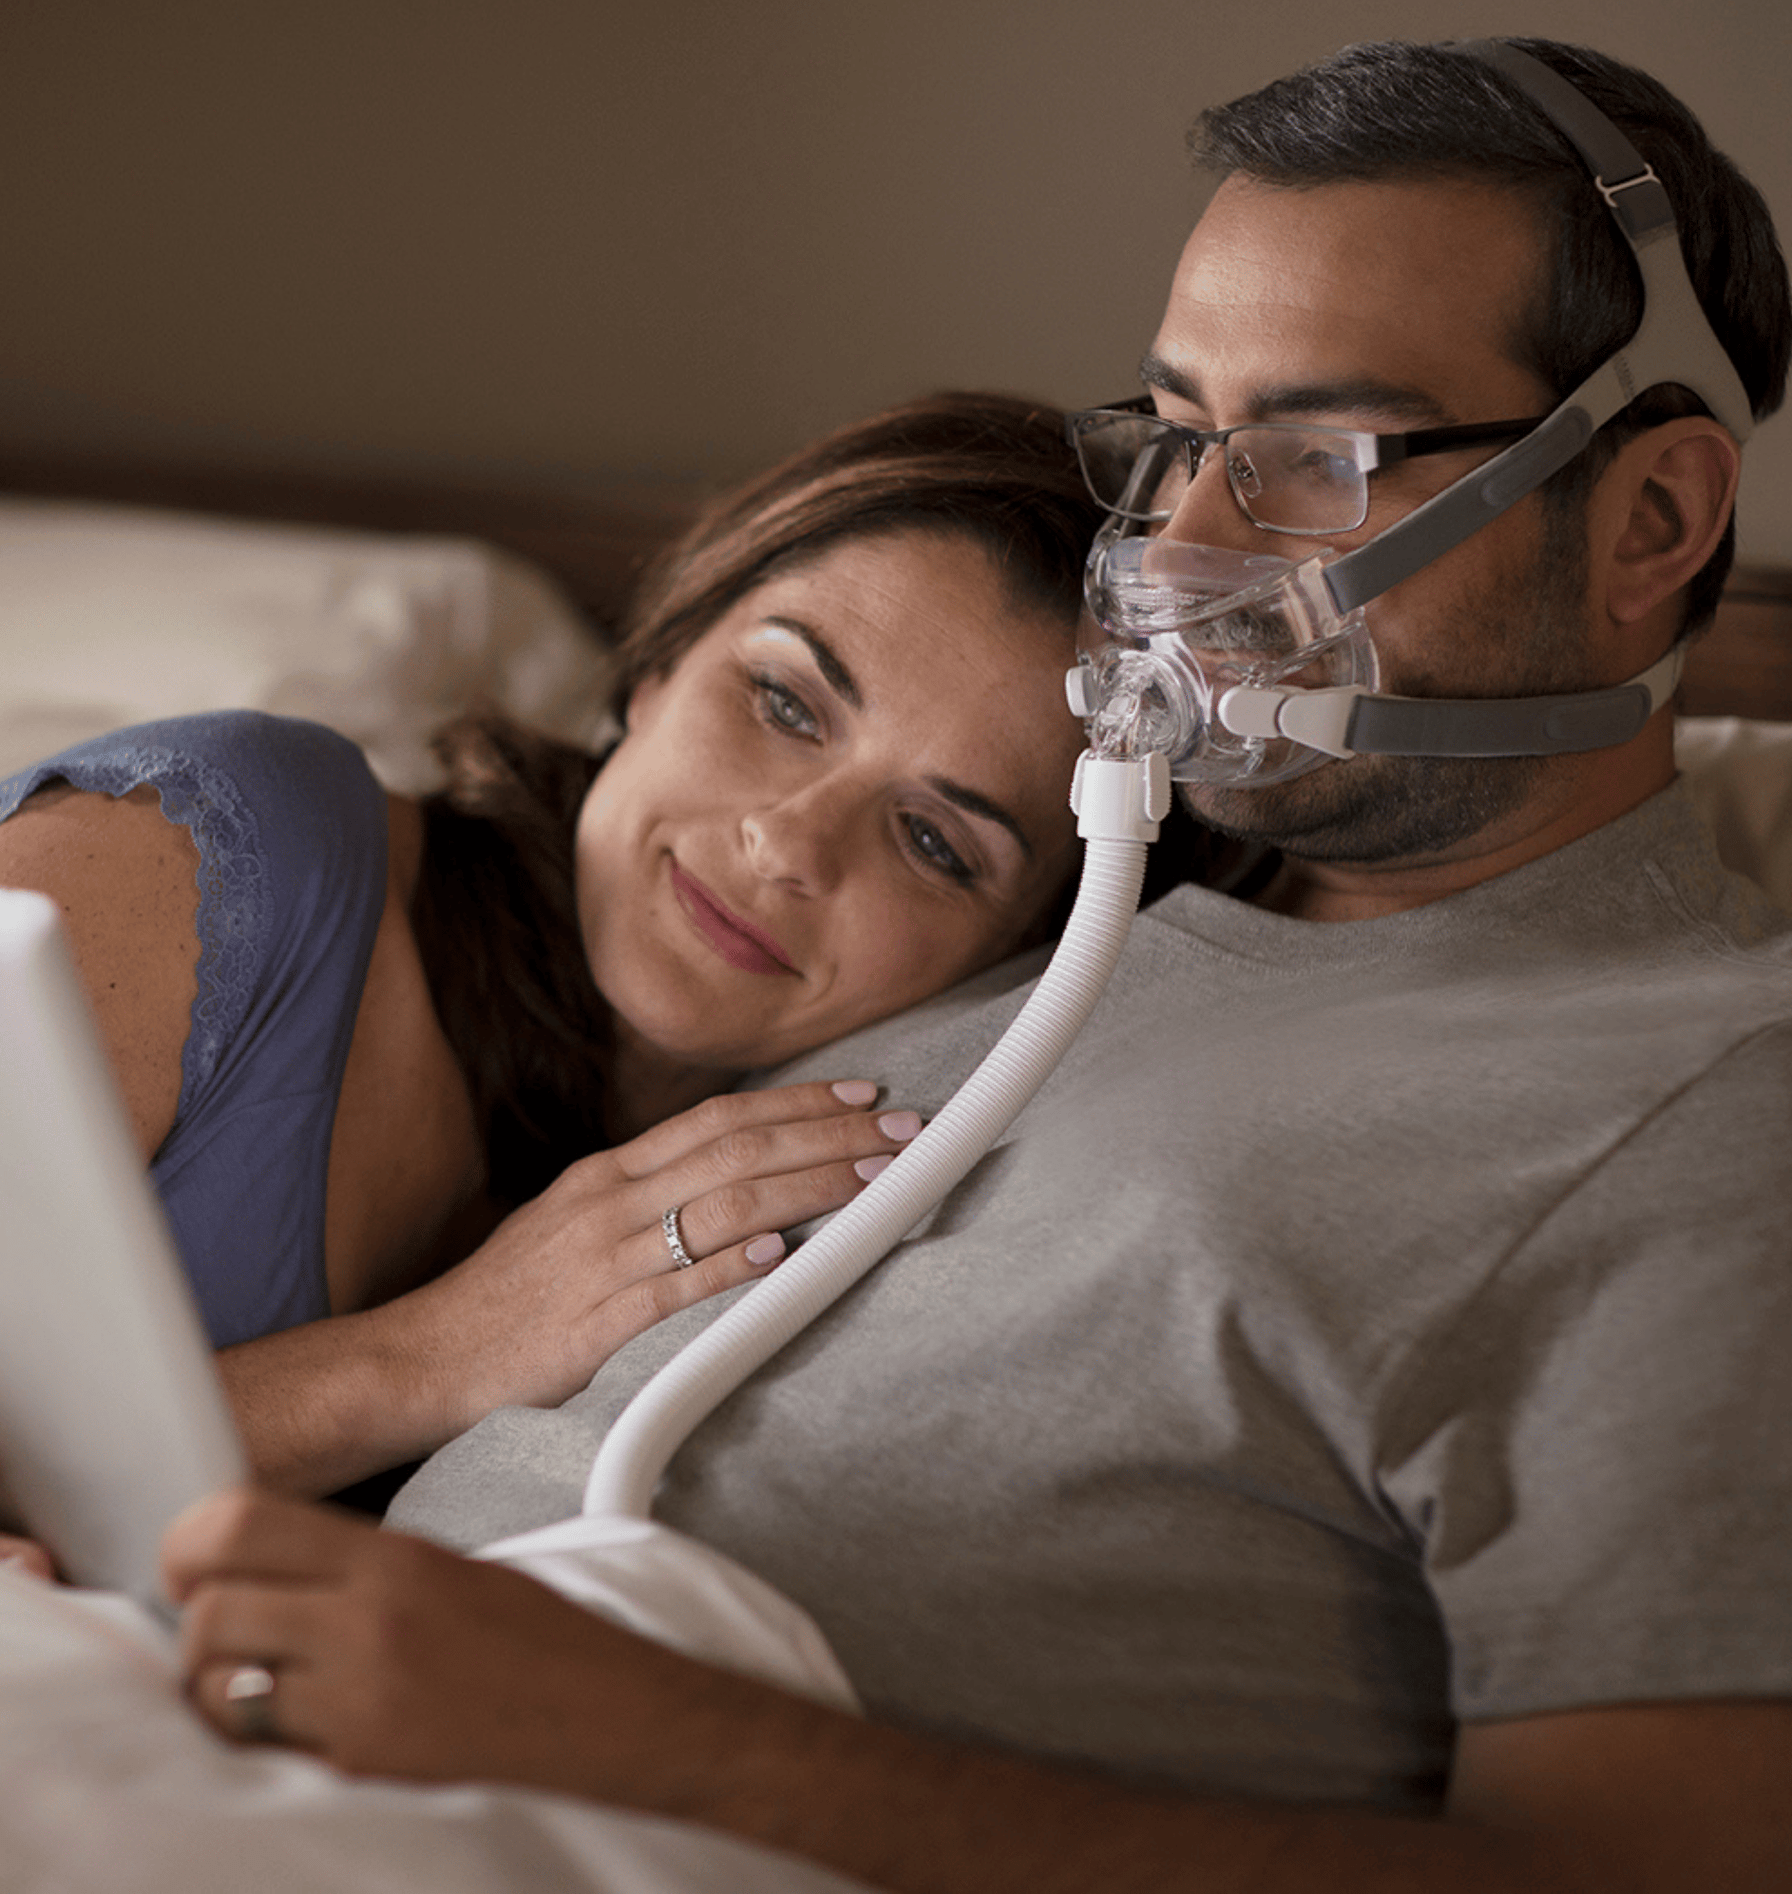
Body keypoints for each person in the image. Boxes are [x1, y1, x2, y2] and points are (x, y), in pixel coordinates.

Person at [107, 36, 1792, 1894]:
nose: (1179, 550)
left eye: (1315, 458)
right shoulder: (1046, 927)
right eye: (1176, 435)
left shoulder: (1735, 1101)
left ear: (1650, 519)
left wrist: (669, 1745)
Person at [0, 392, 1109, 1501]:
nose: (787, 844)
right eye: (783, 701)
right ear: (657, 663)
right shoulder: (224, 851)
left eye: (932, 840)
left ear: (1022, 947)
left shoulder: (855, 1198)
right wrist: (430, 1353)